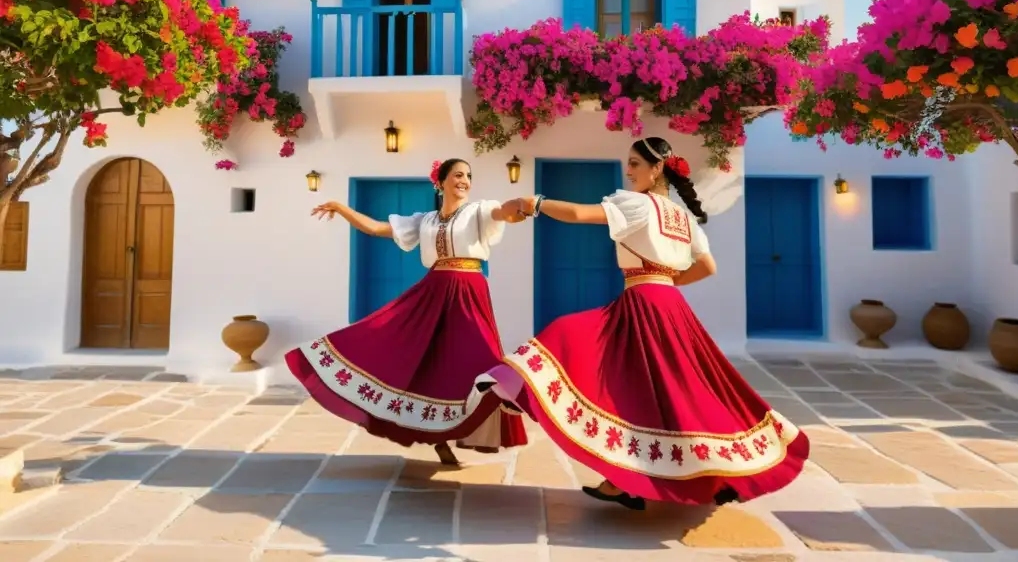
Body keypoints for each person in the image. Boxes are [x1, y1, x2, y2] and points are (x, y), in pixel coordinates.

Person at [468, 137, 808, 509]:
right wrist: (667, 282)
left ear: (657, 168)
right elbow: (708, 267)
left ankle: (637, 476)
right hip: (670, 305)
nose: (628, 171)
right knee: (672, 390)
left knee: (582, 347)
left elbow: (581, 215)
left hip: (643, 303)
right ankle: (646, 479)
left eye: (634, 164)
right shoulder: (682, 218)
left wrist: (537, 204)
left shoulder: (637, 204)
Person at [285, 158, 529, 465]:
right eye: (457, 175)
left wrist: (519, 207)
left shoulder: (478, 211)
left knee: (481, 360)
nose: (464, 180)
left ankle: (466, 424)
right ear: (440, 182)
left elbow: (503, 212)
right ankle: (438, 436)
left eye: (468, 175)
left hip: (469, 293)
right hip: (434, 291)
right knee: (422, 356)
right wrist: (342, 208)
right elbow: (376, 228)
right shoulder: (424, 220)